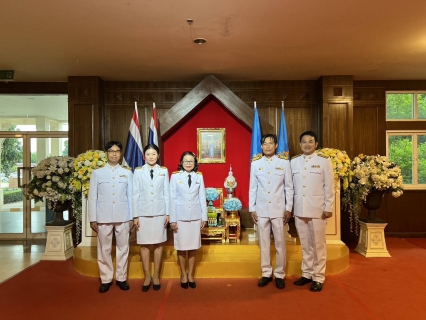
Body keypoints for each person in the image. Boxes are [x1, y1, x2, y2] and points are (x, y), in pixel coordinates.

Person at [291, 131, 335, 292]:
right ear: (300, 144)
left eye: (310, 141)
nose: (307, 144)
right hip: (300, 209)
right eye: (304, 142)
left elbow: (329, 186)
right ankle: (307, 273)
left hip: (317, 210)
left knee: (318, 245)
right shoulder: (294, 162)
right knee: (305, 244)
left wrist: (328, 207)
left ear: (316, 144)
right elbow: (291, 187)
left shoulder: (324, 161)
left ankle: (318, 277)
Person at [249, 133, 294, 289]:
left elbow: (289, 187)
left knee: (280, 243)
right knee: (264, 243)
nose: (267, 146)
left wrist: (288, 208)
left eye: (271, 143)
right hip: (261, 209)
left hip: (279, 209)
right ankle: (266, 273)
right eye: (265, 143)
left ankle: (280, 274)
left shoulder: (284, 163)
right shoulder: (255, 164)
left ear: (276, 146)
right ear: (261, 146)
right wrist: (252, 208)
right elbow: (252, 188)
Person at [88, 141, 133, 293]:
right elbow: (92, 197)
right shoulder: (97, 173)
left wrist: (132, 217)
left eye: (117, 151)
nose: (114, 153)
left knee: (123, 248)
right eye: (111, 151)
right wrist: (93, 218)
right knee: (104, 249)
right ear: (106, 153)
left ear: (121, 154)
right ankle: (106, 279)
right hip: (103, 216)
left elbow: (131, 196)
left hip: (123, 216)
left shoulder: (127, 173)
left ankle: (121, 278)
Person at [133, 144, 170, 292]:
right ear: (144, 156)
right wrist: (135, 215)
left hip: (160, 213)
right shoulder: (138, 171)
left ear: (158, 155)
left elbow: (166, 193)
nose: (151, 156)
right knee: (144, 245)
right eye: (148, 154)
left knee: (159, 244)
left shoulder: (164, 171)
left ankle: (156, 275)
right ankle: (147, 275)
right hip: (143, 213)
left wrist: (168, 213)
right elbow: (135, 194)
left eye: (153, 154)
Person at [169, 151, 207, 289]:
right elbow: (172, 199)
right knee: (181, 247)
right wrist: (173, 219)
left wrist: (204, 217)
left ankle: (190, 274)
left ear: (195, 163)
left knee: (192, 247)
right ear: (181, 162)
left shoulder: (199, 177)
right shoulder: (175, 176)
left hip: (195, 217)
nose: (189, 163)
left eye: (191, 161)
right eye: (186, 161)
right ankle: (183, 274)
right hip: (180, 217)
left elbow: (202, 198)